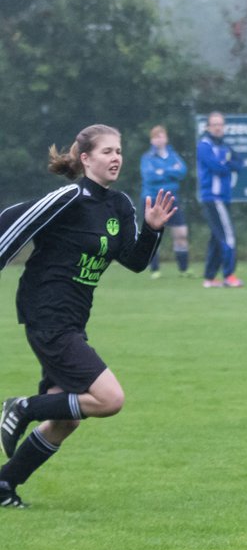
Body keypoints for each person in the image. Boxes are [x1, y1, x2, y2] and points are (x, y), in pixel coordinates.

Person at [0, 124, 175, 508]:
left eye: (119, 151)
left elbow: (134, 262)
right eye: (107, 151)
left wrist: (151, 230)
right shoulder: (70, 197)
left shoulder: (119, 205)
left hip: (72, 320)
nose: (115, 158)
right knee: (109, 399)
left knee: (67, 418)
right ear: (85, 158)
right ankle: (21, 407)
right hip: (46, 314)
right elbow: (14, 222)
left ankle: (3, 485)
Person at [196, 112, 243, 288]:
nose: (218, 127)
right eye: (214, 124)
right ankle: (229, 275)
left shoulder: (225, 146)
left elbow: (239, 164)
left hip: (224, 198)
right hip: (213, 198)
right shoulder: (204, 145)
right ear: (208, 127)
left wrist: (227, 163)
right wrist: (226, 164)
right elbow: (216, 167)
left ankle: (209, 278)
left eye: (220, 124)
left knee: (217, 238)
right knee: (228, 237)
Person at [139, 125, 190, 278]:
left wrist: (163, 171)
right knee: (154, 235)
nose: (158, 139)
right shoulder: (147, 158)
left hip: (172, 198)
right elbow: (150, 177)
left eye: (161, 136)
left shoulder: (173, 156)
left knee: (181, 234)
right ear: (151, 140)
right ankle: (155, 270)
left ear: (166, 138)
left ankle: (184, 270)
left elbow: (182, 172)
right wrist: (170, 172)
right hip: (153, 199)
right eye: (155, 137)